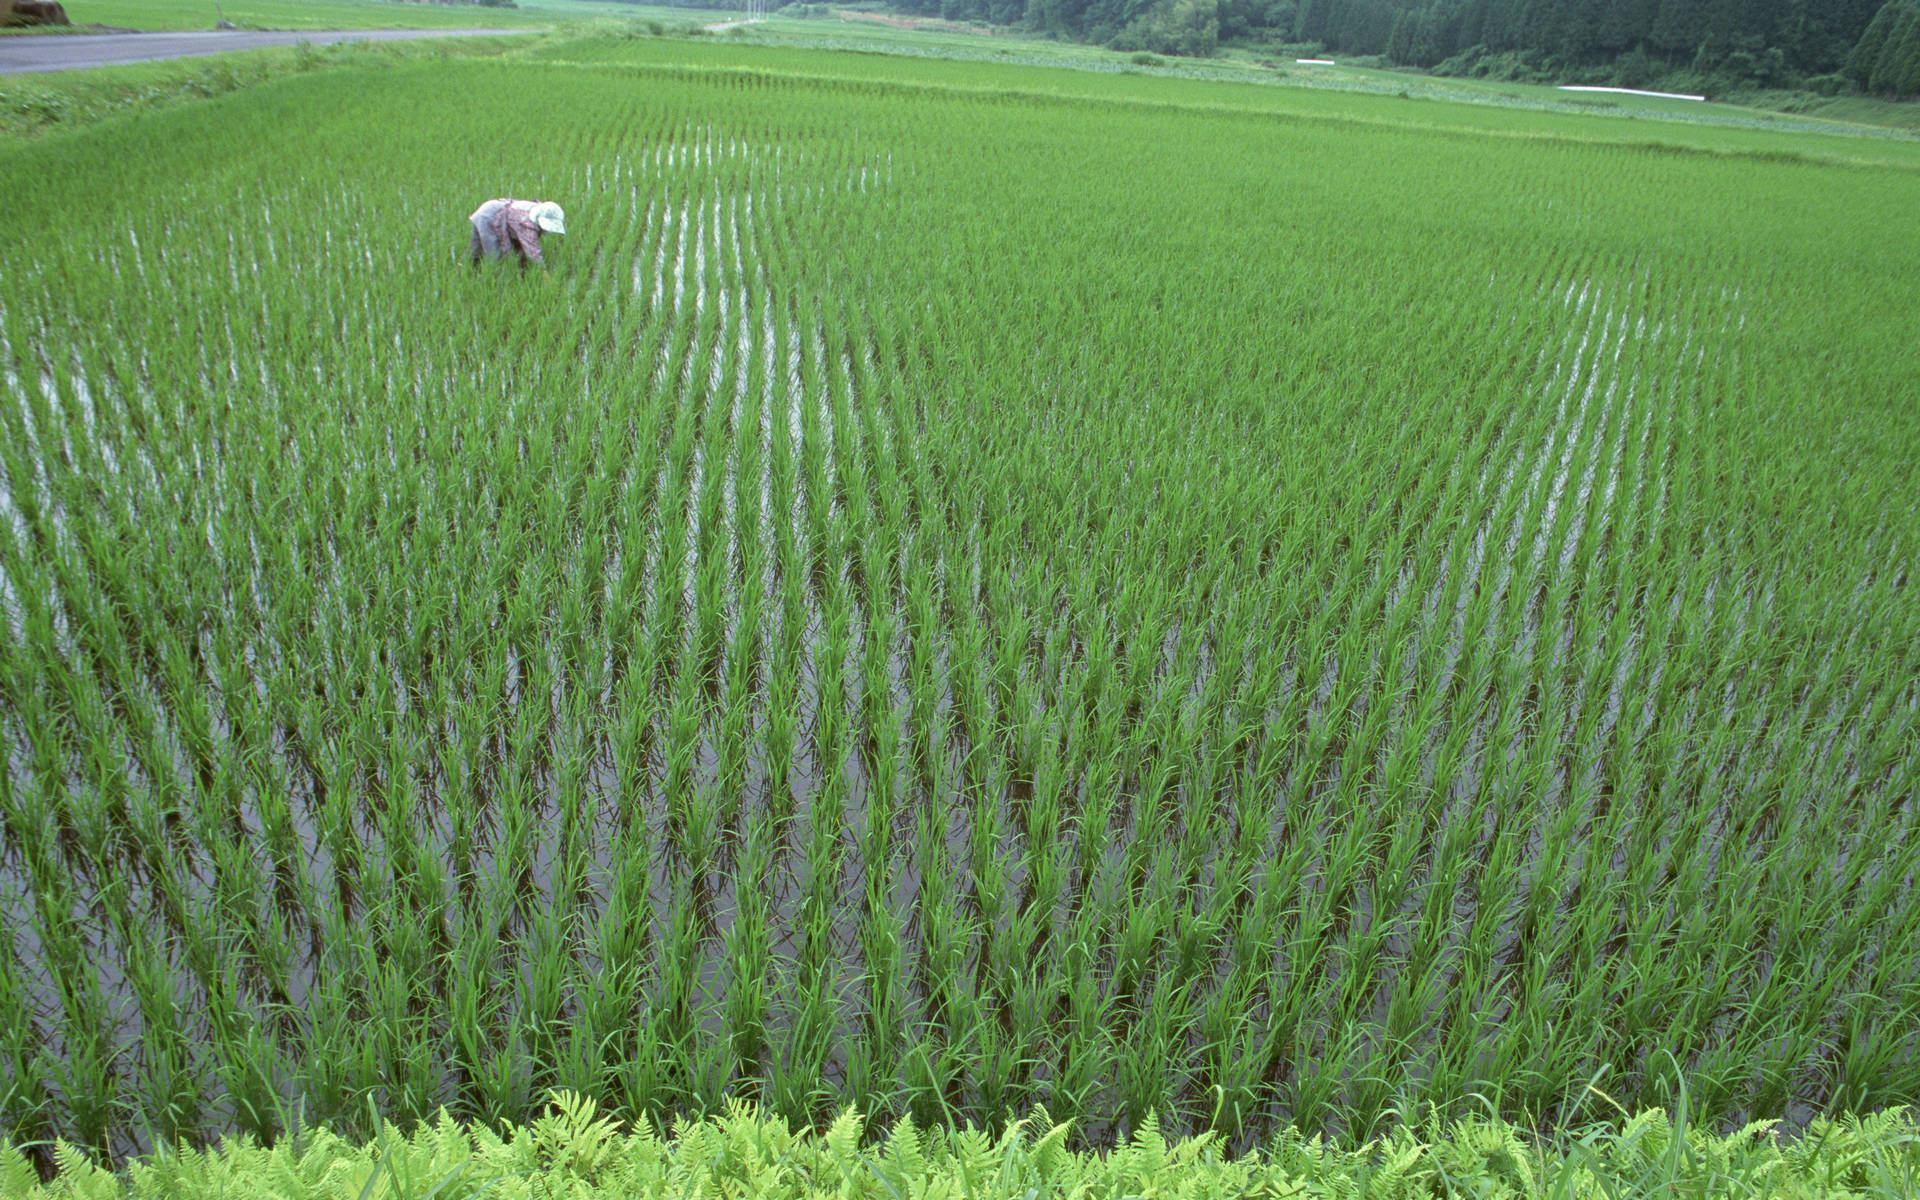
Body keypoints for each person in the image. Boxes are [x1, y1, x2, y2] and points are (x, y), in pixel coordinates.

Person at [468, 199, 566, 267]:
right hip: (489, 217)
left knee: (475, 250)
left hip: (492, 208)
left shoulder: (539, 209)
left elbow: (521, 245)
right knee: (494, 256)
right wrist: (545, 274)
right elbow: (533, 253)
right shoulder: (527, 223)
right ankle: (485, 279)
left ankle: (467, 270)